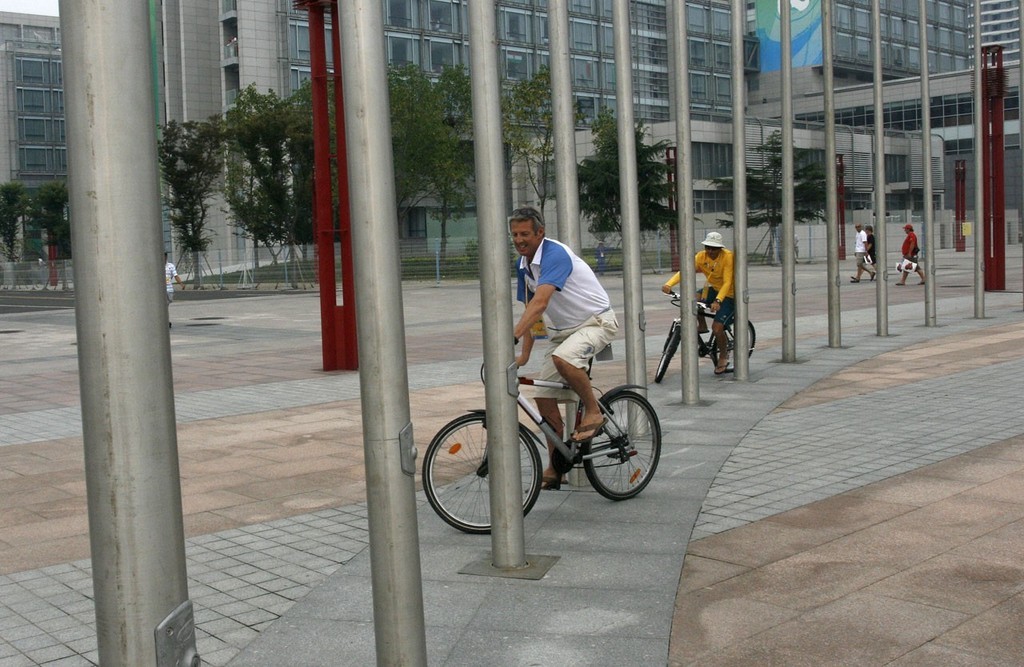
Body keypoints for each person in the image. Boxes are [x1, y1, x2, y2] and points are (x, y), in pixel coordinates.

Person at [510, 206, 618, 489]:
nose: (519, 240)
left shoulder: (555, 254)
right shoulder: (523, 266)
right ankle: (556, 466)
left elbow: (541, 302)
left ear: (540, 233)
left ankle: (594, 411)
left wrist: (512, 337)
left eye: (524, 234)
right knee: (543, 396)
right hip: (562, 333)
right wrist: (523, 354)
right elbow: (531, 312)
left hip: (595, 323)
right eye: (514, 235)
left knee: (563, 359)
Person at [661, 230, 736, 375]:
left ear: (720, 248)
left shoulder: (727, 257)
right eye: (708, 247)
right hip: (712, 288)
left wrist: (718, 300)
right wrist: (669, 284)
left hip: (729, 294)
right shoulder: (701, 257)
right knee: (693, 298)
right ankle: (702, 325)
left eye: (714, 248)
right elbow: (685, 271)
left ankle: (723, 356)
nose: (710, 250)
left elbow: (727, 282)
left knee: (717, 328)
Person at [165, 252, 184, 326]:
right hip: (161, 290)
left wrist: (181, 284)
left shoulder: (170, 266)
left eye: (165, 257)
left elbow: (175, 275)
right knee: (164, 305)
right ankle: (166, 321)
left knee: (166, 305)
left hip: (169, 289)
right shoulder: (157, 266)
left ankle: (165, 320)